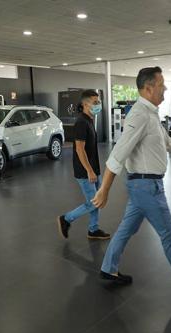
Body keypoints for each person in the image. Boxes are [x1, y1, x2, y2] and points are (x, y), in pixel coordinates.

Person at [91, 67, 171, 293]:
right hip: (147, 187)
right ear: (149, 88)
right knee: (169, 233)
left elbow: (168, 142)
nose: (165, 88)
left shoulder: (150, 114)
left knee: (125, 230)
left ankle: (109, 267)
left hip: (143, 186)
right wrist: (104, 189)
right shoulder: (139, 115)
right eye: (162, 84)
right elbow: (118, 153)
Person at [57, 89, 110, 240]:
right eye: (95, 102)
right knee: (93, 203)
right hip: (85, 171)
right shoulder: (81, 122)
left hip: (93, 168)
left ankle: (93, 229)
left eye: (98, 101)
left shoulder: (89, 119)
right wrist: (89, 171)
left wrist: (94, 170)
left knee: (95, 200)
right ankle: (66, 219)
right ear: (85, 104)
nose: (98, 104)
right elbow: (79, 149)